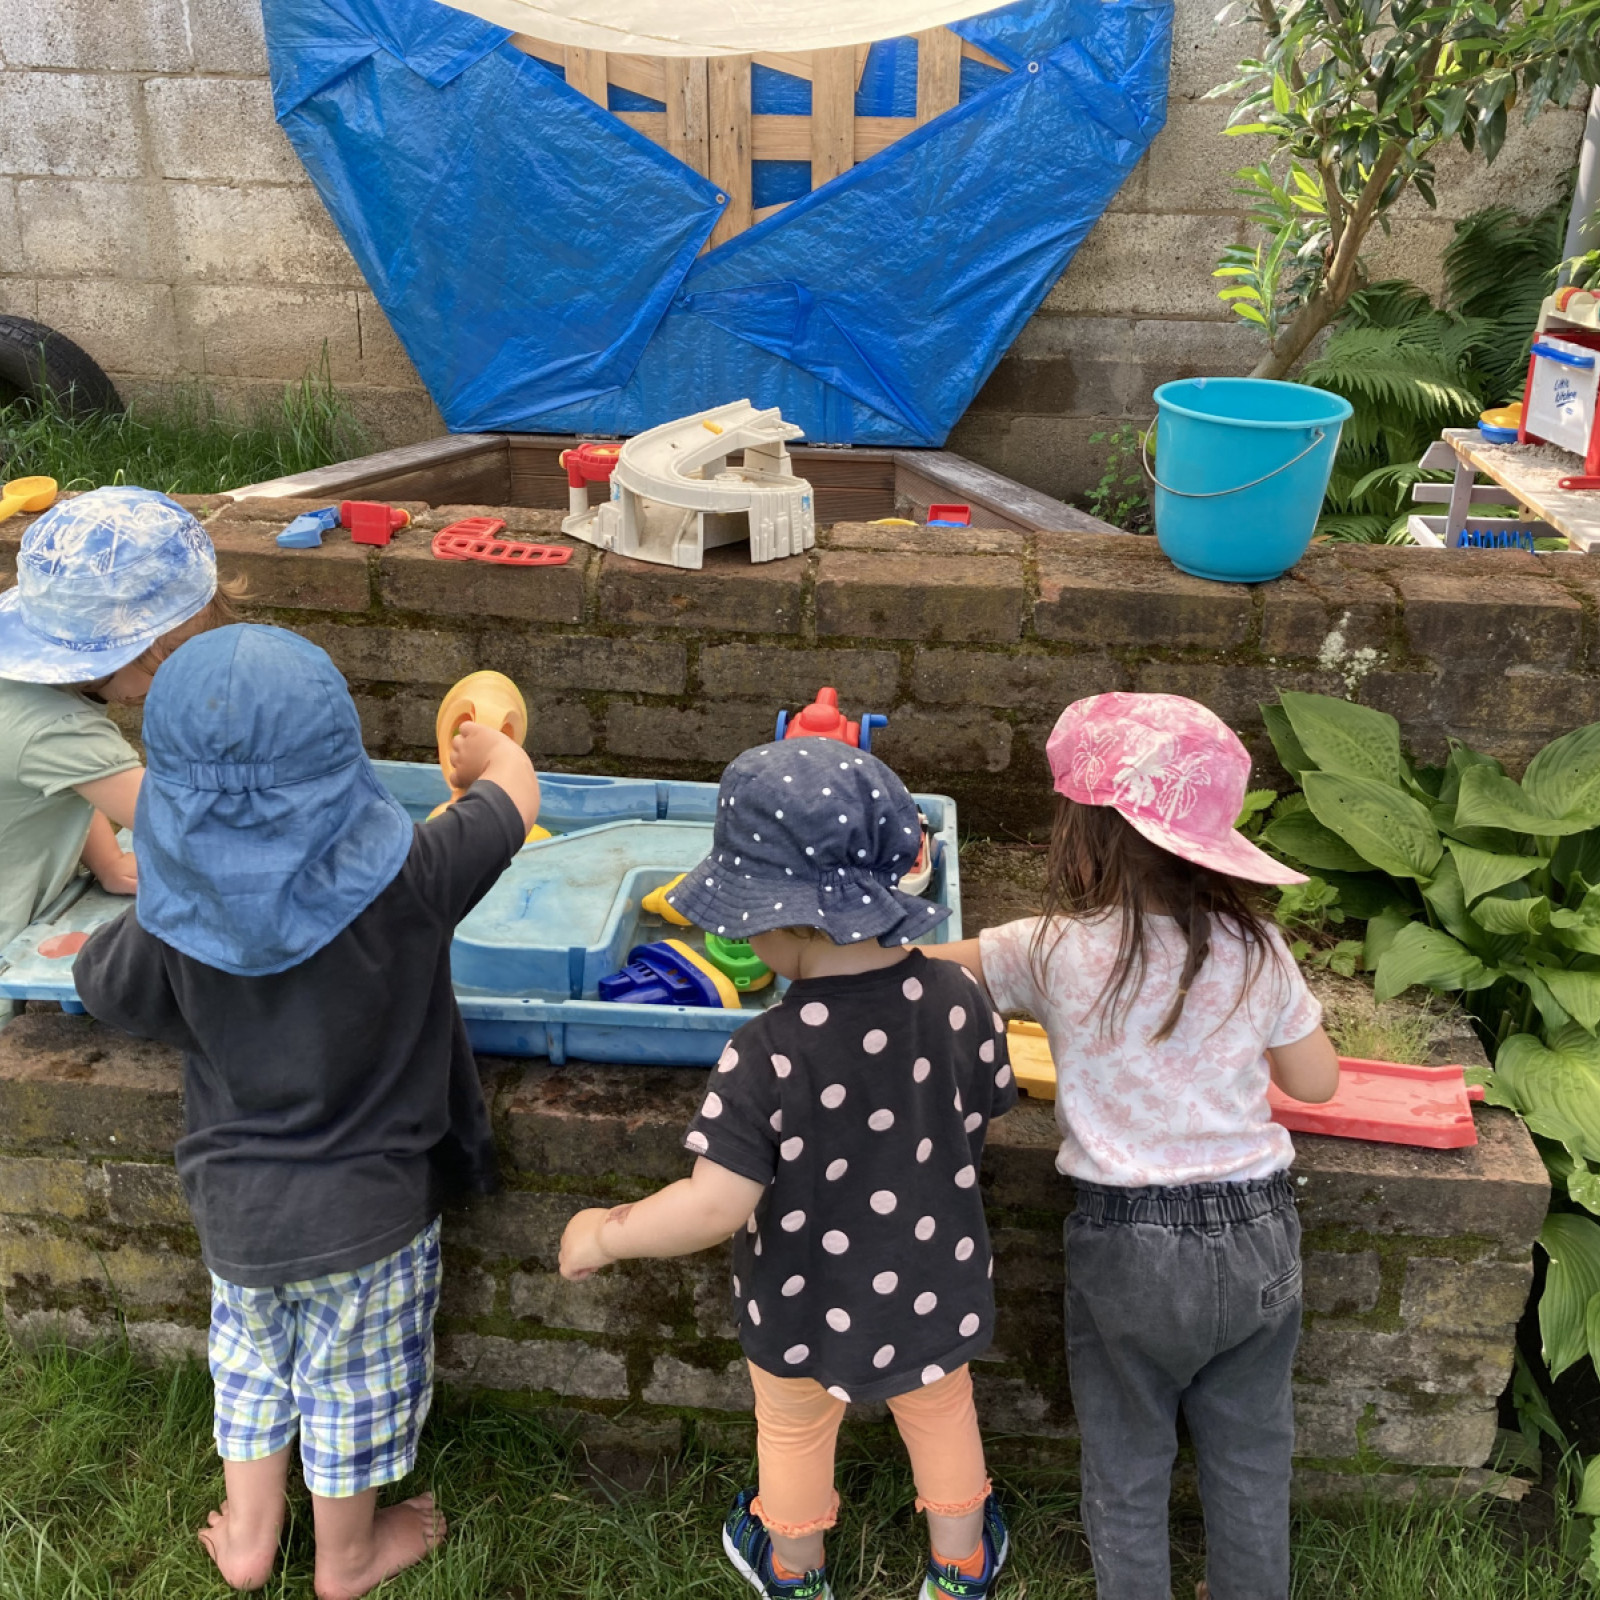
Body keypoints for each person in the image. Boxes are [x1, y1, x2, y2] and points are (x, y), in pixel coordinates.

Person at [73, 624, 541, 1600]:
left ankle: (250, 1538)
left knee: (250, 1369)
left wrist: (120, 927)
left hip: (235, 1216)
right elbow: (512, 804)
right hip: (371, 1215)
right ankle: (348, 1556)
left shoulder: (171, 918)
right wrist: (490, 752)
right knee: (350, 1387)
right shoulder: (413, 876)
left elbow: (104, 987)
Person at [559, 739, 1017, 1600]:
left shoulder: (765, 1053)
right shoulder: (964, 1001)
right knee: (942, 1411)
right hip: (936, 1276)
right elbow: (984, 1108)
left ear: (779, 920)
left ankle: (795, 1570)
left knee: (796, 1430)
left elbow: (713, 1207)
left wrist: (606, 1233)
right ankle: (960, 1570)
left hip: (802, 1296)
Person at [926, 693, 1340, 1600]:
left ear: (1084, 835)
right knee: (1252, 1453)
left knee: (1127, 1459)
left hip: (1127, 1245)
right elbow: (1316, 1083)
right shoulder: (1261, 949)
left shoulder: (1051, 949)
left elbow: (922, 974)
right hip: (1260, 1233)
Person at [0, 488, 240, 987]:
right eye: (170, 661)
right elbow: (192, 829)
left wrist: (108, 860)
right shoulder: (59, 729)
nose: (175, 680)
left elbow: (67, 780)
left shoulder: (26, 689)